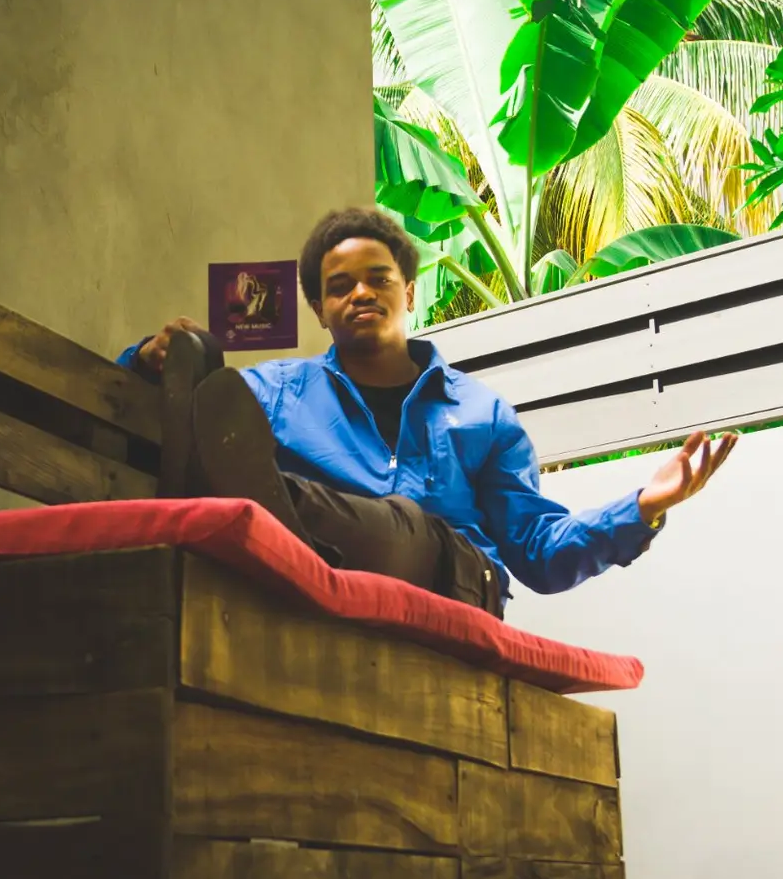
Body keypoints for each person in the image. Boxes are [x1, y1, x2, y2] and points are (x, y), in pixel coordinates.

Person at [121, 207, 735, 617]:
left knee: (405, 525)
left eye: (378, 279)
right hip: (329, 572)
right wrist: (149, 362)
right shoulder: (275, 392)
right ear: (319, 311)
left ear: (409, 292)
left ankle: (281, 509)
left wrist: (642, 508)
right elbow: (195, 416)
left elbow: (540, 553)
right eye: (339, 286)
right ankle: (284, 517)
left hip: (456, 581)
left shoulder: (483, 414)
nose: (361, 293)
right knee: (230, 424)